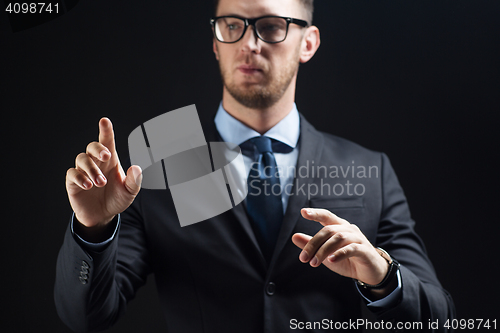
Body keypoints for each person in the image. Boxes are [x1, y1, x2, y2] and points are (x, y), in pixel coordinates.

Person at [55, 0, 455, 332]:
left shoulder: (369, 168)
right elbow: (86, 318)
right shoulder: (157, 161)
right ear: (215, 41)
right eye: (232, 26)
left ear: (308, 42)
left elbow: (438, 319)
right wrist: (93, 230)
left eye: (270, 26)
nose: (249, 43)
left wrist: (384, 277)